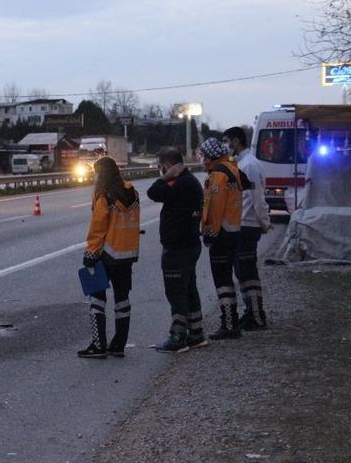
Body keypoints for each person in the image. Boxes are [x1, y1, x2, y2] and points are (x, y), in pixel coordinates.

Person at [79, 157, 141, 359]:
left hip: (105, 254)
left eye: (96, 173)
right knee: (122, 300)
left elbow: (98, 227)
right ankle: (119, 345)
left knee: (97, 299)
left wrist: (90, 253)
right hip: (127, 254)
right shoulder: (132, 193)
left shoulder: (103, 194)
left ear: (101, 174)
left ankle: (98, 345)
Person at [147, 147, 207, 353]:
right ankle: (196, 333)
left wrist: (166, 177)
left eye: (161, 166)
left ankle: (178, 336)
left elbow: (153, 192)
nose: (160, 170)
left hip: (177, 247)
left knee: (176, 291)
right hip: (189, 244)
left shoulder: (181, 183)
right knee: (189, 288)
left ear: (169, 165)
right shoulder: (191, 183)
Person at [225, 126, 271, 331]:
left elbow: (257, 198)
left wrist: (264, 222)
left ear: (236, 141)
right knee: (242, 272)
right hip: (241, 225)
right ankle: (250, 312)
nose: (225, 145)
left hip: (247, 225)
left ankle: (256, 315)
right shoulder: (241, 163)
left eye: (227, 141)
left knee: (247, 272)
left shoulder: (249, 166)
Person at [199, 136, 244, 340]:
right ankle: (231, 321)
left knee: (222, 280)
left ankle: (228, 323)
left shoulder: (218, 174)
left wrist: (210, 234)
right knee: (227, 278)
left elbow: (215, 207)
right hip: (234, 229)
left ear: (211, 156)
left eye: (204, 156)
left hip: (222, 233)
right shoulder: (232, 167)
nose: (202, 160)